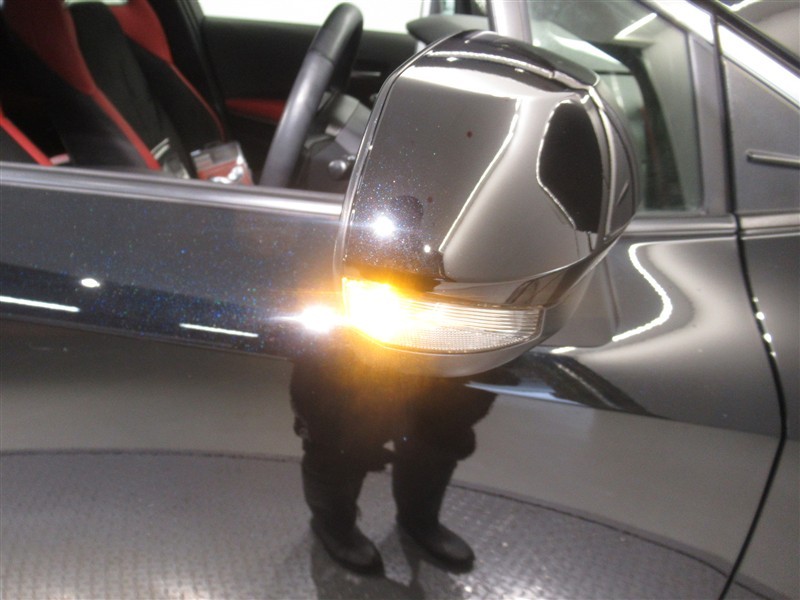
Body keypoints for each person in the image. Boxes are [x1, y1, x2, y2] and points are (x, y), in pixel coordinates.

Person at [290, 347, 495, 574]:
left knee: (440, 431)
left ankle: (419, 520)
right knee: (337, 435)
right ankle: (334, 526)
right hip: (350, 343)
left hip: (452, 343)